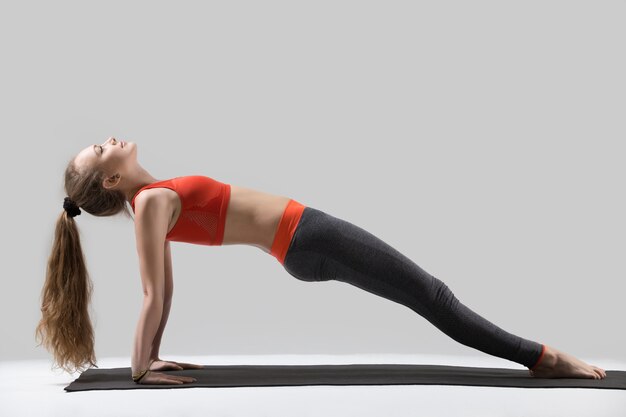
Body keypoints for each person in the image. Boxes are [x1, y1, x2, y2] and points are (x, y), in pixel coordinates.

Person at [36, 137, 607, 385]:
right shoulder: (153, 202)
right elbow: (153, 293)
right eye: (99, 147)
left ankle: (538, 355)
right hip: (307, 235)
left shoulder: (151, 199)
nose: (107, 137)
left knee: (428, 295)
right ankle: (542, 357)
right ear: (110, 177)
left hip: (304, 241)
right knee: (433, 295)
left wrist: (153, 355)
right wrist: (140, 366)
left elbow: (165, 287)